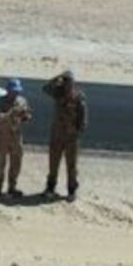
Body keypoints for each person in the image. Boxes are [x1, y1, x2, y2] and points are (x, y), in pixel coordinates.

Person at [42, 70, 87, 202]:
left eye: (69, 81)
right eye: (65, 81)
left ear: (74, 82)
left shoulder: (79, 97)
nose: (67, 84)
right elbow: (45, 88)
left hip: (71, 138)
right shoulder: (57, 93)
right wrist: (57, 77)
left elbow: (83, 117)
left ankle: (71, 191)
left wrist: (78, 131)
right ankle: (50, 188)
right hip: (56, 136)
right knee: (53, 164)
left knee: (71, 166)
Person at [0, 78, 33, 197]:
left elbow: (28, 115)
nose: (15, 94)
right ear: (8, 90)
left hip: (16, 136)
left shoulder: (22, 101)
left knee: (16, 162)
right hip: (2, 137)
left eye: (17, 91)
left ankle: (12, 187)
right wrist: (10, 113)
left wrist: (25, 116)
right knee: (0, 163)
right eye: (13, 91)